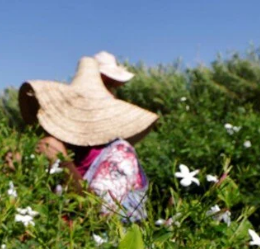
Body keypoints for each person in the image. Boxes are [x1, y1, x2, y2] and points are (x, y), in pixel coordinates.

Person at [19, 55, 158, 222]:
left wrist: (62, 162)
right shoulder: (74, 152)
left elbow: (102, 214)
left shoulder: (119, 153)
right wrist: (20, 172)